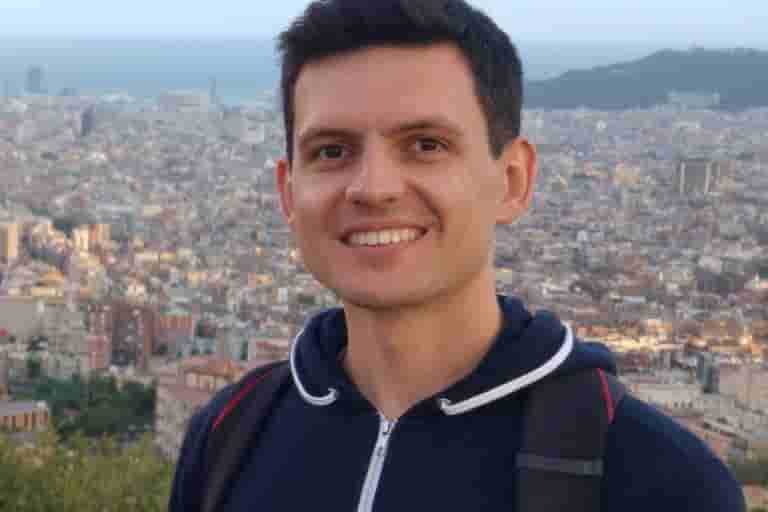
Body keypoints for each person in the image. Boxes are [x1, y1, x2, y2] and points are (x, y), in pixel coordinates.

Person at [169, 1, 746, 510]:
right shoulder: (228, 437)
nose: (373, 188)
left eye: (426, 145)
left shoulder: (657, 479)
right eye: (332, 151)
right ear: (288, 192)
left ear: (513, 180)